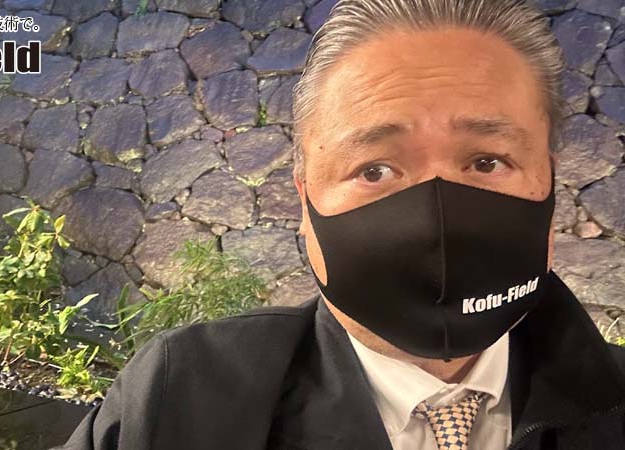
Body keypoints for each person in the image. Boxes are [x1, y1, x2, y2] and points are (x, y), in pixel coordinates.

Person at [58, 1, 625, 449]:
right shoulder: (181, 396)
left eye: (486, 161)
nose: (435, 220)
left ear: (549, 185)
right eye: (374, 170)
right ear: (305, 204)